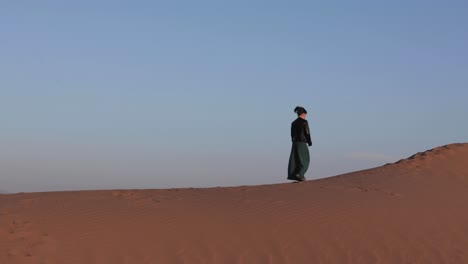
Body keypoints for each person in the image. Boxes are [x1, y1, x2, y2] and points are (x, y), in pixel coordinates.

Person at [287, 106, 312, 182]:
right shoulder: (304, 122)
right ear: (303, 114)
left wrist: (294, 141)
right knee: (305, 159)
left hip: (294, 143)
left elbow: (292, 134)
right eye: (305, 114)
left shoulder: (293, 123)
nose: (305, 116)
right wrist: (309, 142)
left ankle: (297, 176)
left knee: (295, 159)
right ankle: (300, 174)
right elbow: (307, 133)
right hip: (302, 142)